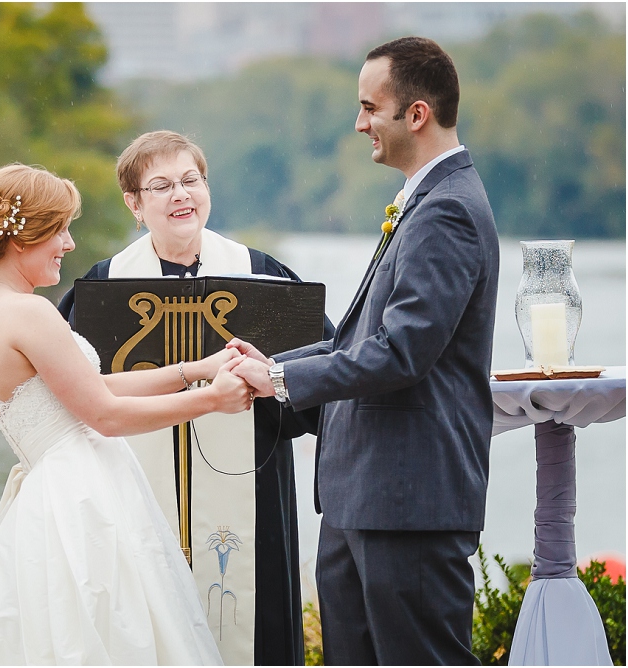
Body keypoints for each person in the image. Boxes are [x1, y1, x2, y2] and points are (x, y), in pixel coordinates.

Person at [0, 163, 255, 665]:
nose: (68, 244)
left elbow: (90, 388)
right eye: (60, 231)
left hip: (52, 488)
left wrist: (195, 369)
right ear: (24, 237)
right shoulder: (30, 312)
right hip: (82, 500)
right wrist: (212, 399)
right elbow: (105, 415)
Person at [229, 37, 499, 664]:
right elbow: (362, 342)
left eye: (369, 108)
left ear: (416, 114)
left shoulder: (448, 211)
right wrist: (272, 366)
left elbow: (402, 353)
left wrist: (282, 383)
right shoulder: (425, 202)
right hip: (363, 498)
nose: (359, 123)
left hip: (409, 505)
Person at [57, 130, 334, 665]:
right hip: (133, 489)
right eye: (160, 186)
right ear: (134, 205)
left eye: (191, 180)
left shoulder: (262, 277)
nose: (180, 194)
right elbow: (74, 400)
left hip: (250, 488)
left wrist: (270, 383)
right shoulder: (103, 289)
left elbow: (322, 378)